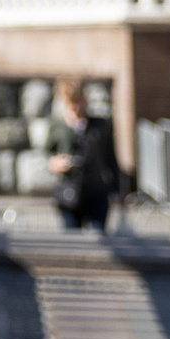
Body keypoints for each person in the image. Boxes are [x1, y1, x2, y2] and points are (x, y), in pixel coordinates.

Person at [49, 78, 117, 232]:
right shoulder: (58, 126)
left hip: (95, 192)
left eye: (77, 102)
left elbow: (111, 158)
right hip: (69, 194)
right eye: (70, 104)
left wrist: (117, 191)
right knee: (72, 240)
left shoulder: (100, 126)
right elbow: (47, 154)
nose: (75, 108)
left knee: (96, 235)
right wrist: (55, 163)